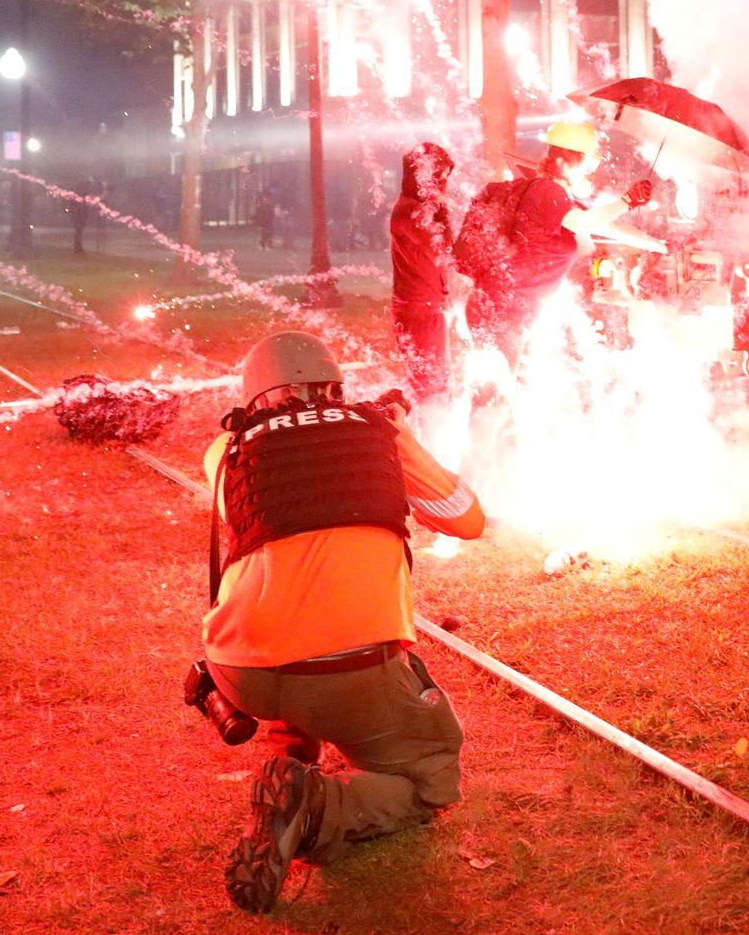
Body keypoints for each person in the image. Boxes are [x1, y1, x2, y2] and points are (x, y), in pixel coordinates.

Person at [200, 330, 485, 913]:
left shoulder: (224, 450)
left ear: (254, 397)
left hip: (239, 668)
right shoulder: (377, 431)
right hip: (350, 665)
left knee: (287, 625)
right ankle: (317, 808)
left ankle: (291, 763)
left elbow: (283, 511)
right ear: (335, 384)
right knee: (427, 784)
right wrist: (397, 437)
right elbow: (466, 519)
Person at [453, 121, 597, 362]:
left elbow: (586, 248)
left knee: (503, 389)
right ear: (562, 164)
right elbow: (585, 229)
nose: (590, 172)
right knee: (498, 394)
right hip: (503, 311)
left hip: (499, 307)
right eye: (586, 165)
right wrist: (627, 201)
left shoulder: (547, 196)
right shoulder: (548, 193)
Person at [389, 142, 455, 400]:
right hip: (419, 309)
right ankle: (429, 436)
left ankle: (430, 432)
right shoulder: (412, 211)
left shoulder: (415, 209)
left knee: (434, 382)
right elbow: (443, 248)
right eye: (439, 177)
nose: (443, 185)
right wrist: (441, 206)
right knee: (430, 387)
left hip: (425, 306)